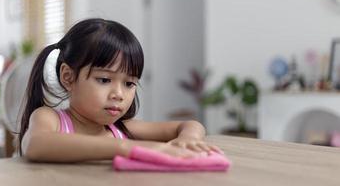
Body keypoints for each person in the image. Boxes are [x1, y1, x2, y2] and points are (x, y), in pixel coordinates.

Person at [19, 18, 221, 162]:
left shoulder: (121, 129)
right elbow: (35, 144)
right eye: (105, 79)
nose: (119, 94)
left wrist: (188, 140)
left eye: (129, 83)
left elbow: (190, 125)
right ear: (68, 77)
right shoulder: (50, 119)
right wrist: (130, 148)